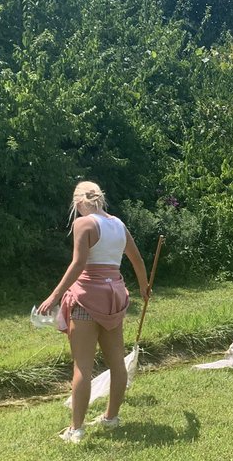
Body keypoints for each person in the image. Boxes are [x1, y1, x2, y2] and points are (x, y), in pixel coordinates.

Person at [38, 181, 150, 443]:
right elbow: (137, 259)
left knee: (82, 367)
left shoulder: (84, 223)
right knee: (116, 362)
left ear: (78, 203)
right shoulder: (119, 224)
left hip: (88, 298)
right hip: (115, 297)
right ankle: (111, 418)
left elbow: (78, 264)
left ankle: (76, 429)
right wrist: (144, 288)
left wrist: (54, 296)